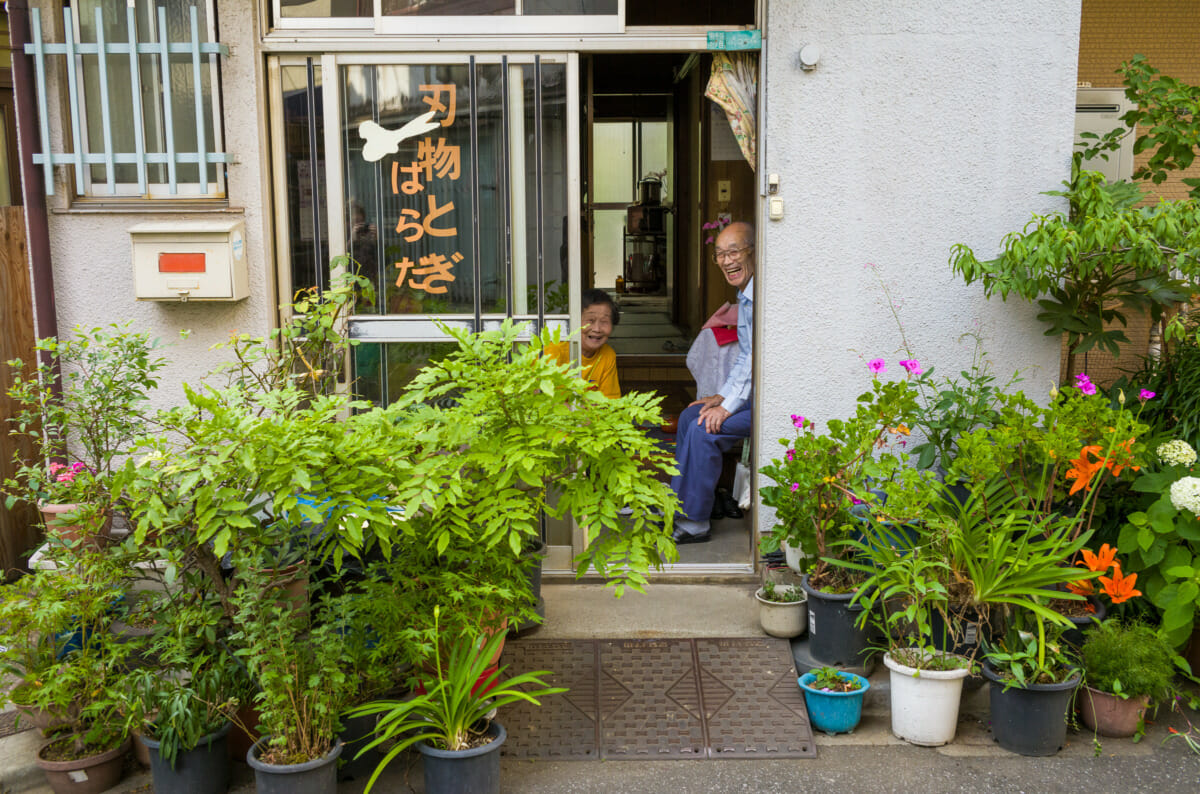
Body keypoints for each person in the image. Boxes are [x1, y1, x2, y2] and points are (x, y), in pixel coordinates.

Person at [671, 221, 755, 544]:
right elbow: (745, 356)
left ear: (752, 250)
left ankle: (695, 522)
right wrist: (721, 397)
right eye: (720, 254)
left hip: (766, 403)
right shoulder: (744, 296)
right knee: (691, 416)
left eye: (734, 251)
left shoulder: (759, 295)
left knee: (704, 429)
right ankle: (676, 506)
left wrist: (727, 406)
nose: (726, 260)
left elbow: (753, 360)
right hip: (747, 395)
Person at [545, 288, 621, 399]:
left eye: (604, 322)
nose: (597, 329)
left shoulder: (608, 355)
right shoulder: (553, 349)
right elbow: (540, 400)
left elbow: (610, 404)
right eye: (590, 320)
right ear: (574, 321)